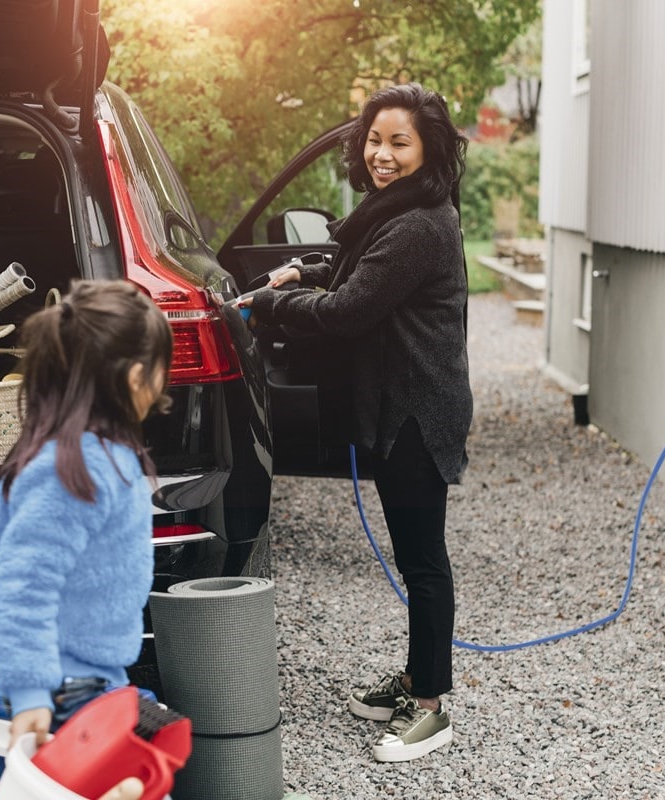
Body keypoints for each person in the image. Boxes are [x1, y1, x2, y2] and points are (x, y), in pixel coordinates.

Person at [239, 82, 473, 763]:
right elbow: (353, 267)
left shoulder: (420, 223)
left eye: (399, 141)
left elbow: (347, 308)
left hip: (416, 414)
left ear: (427, 148)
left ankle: (431, 708)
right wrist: (300, 270)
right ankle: (411, 680)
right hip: (398, 407)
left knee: (424, 561)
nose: (383, 153)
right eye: (375, 139)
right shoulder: (395, 211)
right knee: (414, 554)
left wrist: (275, 307)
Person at [0, 280, 172, 754]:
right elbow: (18, 585)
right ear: (135, 377)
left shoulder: (94, 456)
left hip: (93, 681)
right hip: (64, 691)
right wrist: (30, 694)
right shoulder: (72, 471)